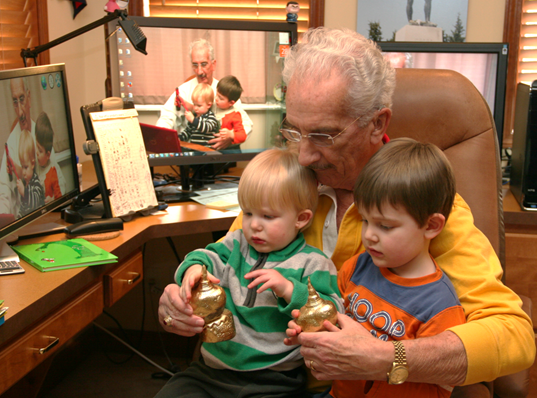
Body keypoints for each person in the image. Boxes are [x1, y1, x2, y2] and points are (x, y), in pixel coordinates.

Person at [158, 27, 535, 391]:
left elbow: (512, 334)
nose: (303, 154)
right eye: (294, 131)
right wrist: (181, 296)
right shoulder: (282, 188)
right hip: (252, 376)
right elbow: (224, 264)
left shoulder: (424, 204)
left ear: (377, 123)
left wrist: (389, 358)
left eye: (323, 135)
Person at [155, 148, 343, 398]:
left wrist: (288, 290)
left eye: (268, 216)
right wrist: (192, 270)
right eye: (249, 212)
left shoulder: (313, 262)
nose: (254, 224)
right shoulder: (236, 243)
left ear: (301, 218)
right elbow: (204, 256)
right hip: (212, 371)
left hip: (275, 378)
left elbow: (332, 311)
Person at [286, 138, 466, 398]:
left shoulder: (440, 308)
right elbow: (336, 319)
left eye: (386, 226)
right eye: (366, 220)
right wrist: (312, 332)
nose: (369, 235)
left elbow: (439, 379)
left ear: (431, 226)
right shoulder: (356, 267)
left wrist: (375, 361)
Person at [156, 39, 253, 150]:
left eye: (204, 64)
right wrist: (161, 137)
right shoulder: (183, 90)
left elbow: (247, 124)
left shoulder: (225, 91)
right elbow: (166, 117)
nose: (199, 71)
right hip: (193, 152)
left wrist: (231, 138)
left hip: (222, 153)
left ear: (213, 64)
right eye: (195, 65)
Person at [0, 77, 66, 216]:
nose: (20, 112)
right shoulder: (11, 144)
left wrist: (55, 201)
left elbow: (59, 180)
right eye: (15, 101)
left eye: (22, 99)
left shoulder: (41, 136)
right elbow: (3, 193)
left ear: (29, 97)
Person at [214, 75, 250, 146]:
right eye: (216, 95)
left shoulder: (235, 115)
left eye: (220, 98)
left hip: (229, 150)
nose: (216, 99)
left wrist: (231, 134)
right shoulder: (214, 106)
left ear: (231, 103)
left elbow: (243, 136)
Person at [35, 111, 62, 203]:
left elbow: (60, 194)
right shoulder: (36, 166)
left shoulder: (53, 171)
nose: (36, 153)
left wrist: (53, 200)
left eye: (40, 150)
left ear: (48, 155)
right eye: (36, 147)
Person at [16, 129, 44, 217]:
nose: (23, 172)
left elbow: (34, 202)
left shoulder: (36, 182)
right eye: (22, 166)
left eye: (25, 167)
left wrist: (24, 192)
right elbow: (23, 207)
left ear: (32, 164)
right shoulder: (26, 183)